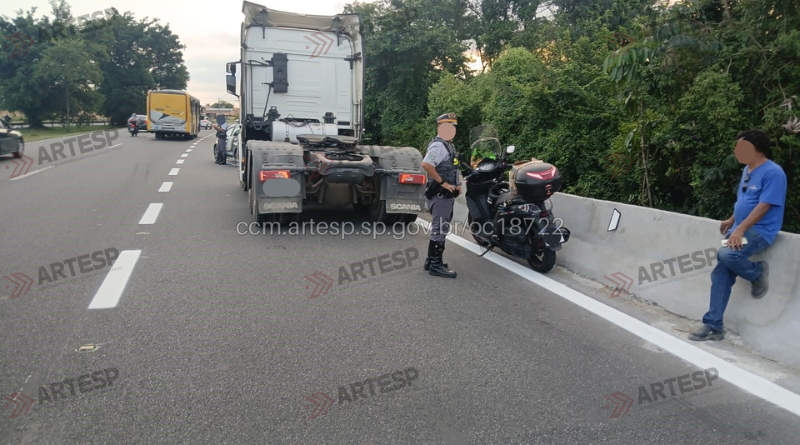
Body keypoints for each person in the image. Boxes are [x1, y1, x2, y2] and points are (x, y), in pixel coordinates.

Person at [689, 129, 787, 341]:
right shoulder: (748, 170)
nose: (736, 151)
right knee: (721, 272)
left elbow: (764, 205)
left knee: (727, 254)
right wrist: (733, 220)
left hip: (760, 230)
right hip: (741, 228)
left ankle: (757, 273)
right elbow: (745, 201)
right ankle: (713, 326)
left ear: (755, 148)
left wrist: (741, 229)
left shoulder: (773, 173)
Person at [421, 112, 462, 278]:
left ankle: (431, 261)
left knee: (441, 228)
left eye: (453, 126)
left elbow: (453, 167)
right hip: (440, 194)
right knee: (439, 229)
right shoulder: (438, 146)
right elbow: (427, 164)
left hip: (446, 195)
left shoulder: (448, 145)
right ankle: (435, 266)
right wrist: (443, 183)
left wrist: (458, 184)